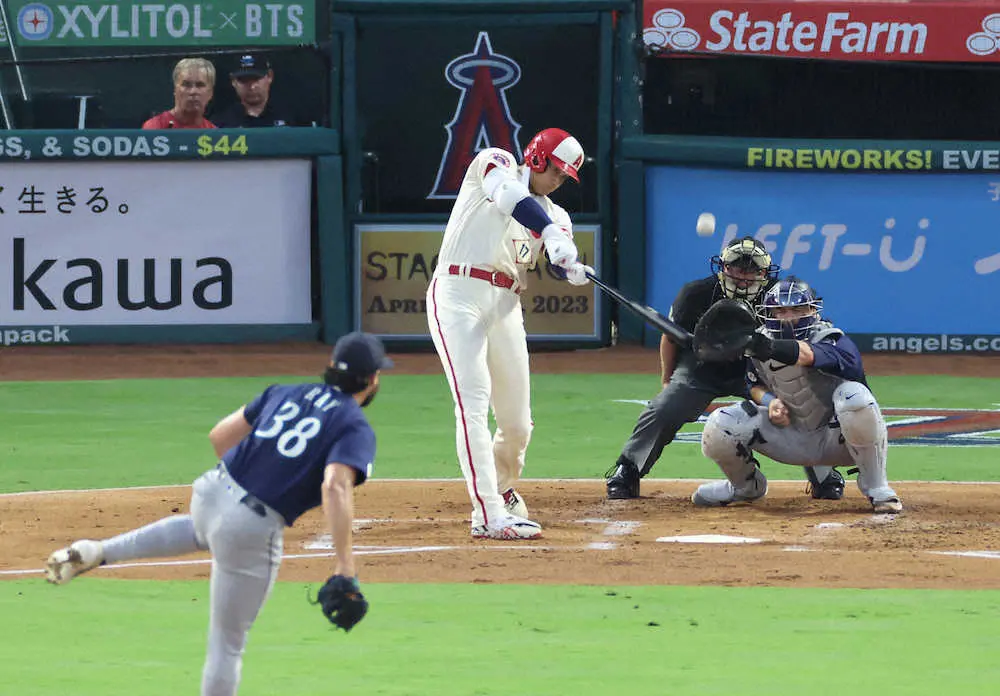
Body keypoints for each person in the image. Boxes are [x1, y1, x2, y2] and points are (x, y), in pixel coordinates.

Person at [44, 332, 393, 695]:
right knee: (227, 644)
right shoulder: (354, 424)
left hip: (211, 489)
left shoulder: (284, 391)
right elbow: (335, 485)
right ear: (372, 380)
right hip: (250, 525)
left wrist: (261, 467)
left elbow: (220, 438)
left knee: (201, 531)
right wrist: (345, 567)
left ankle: (97, 551)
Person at [426, 127, 591, 540]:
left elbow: (553, 256)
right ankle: (488, 514)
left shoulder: (557, 215)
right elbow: (508, 198)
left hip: (506, 304)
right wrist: (549, 233)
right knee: (473, 404)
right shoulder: (495, 162)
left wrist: (567, 265)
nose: (558, 181)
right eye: (556, 170)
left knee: (518, 424)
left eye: (565, 177)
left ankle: (501, 489)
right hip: (458, 292)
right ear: (537, 157)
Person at [605, 237, 846, 501]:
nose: (744, 277)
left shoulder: (778, 296)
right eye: (738, 269)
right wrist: (667, 380)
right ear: (723, 268)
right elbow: (671, 337)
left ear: (765, 273)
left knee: (798, 404)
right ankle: (627, 469)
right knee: (665, 407)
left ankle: (823, 475)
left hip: (759, 369)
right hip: (701, 368)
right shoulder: (696, 293)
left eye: (752, 270)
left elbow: (803, 333)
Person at [692, 277, 903, 513]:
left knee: (855, 397)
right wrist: (771, 402)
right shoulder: (761, 342)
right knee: (721, 423)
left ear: (813, 310)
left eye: (797, 309)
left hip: (839, 440)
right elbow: (752, 385)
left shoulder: (832, 339)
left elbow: (807, 355)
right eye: (780, 310)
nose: (789, 317)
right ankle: (744, 487)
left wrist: (762, 346)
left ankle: (876, 487)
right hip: (791, 436)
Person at [212, 52, 296, 128]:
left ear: (270, 76)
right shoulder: (222, 123)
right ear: (233, 81)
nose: (252, 87)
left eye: (256, 79)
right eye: (244, 80)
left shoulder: (292, 116)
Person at [142, 57, 217, 130]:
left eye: (200, 85)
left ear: (210, 93)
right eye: (186, 85)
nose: (193, 91)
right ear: (175, 89)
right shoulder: (155, 127)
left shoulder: (215, 134)